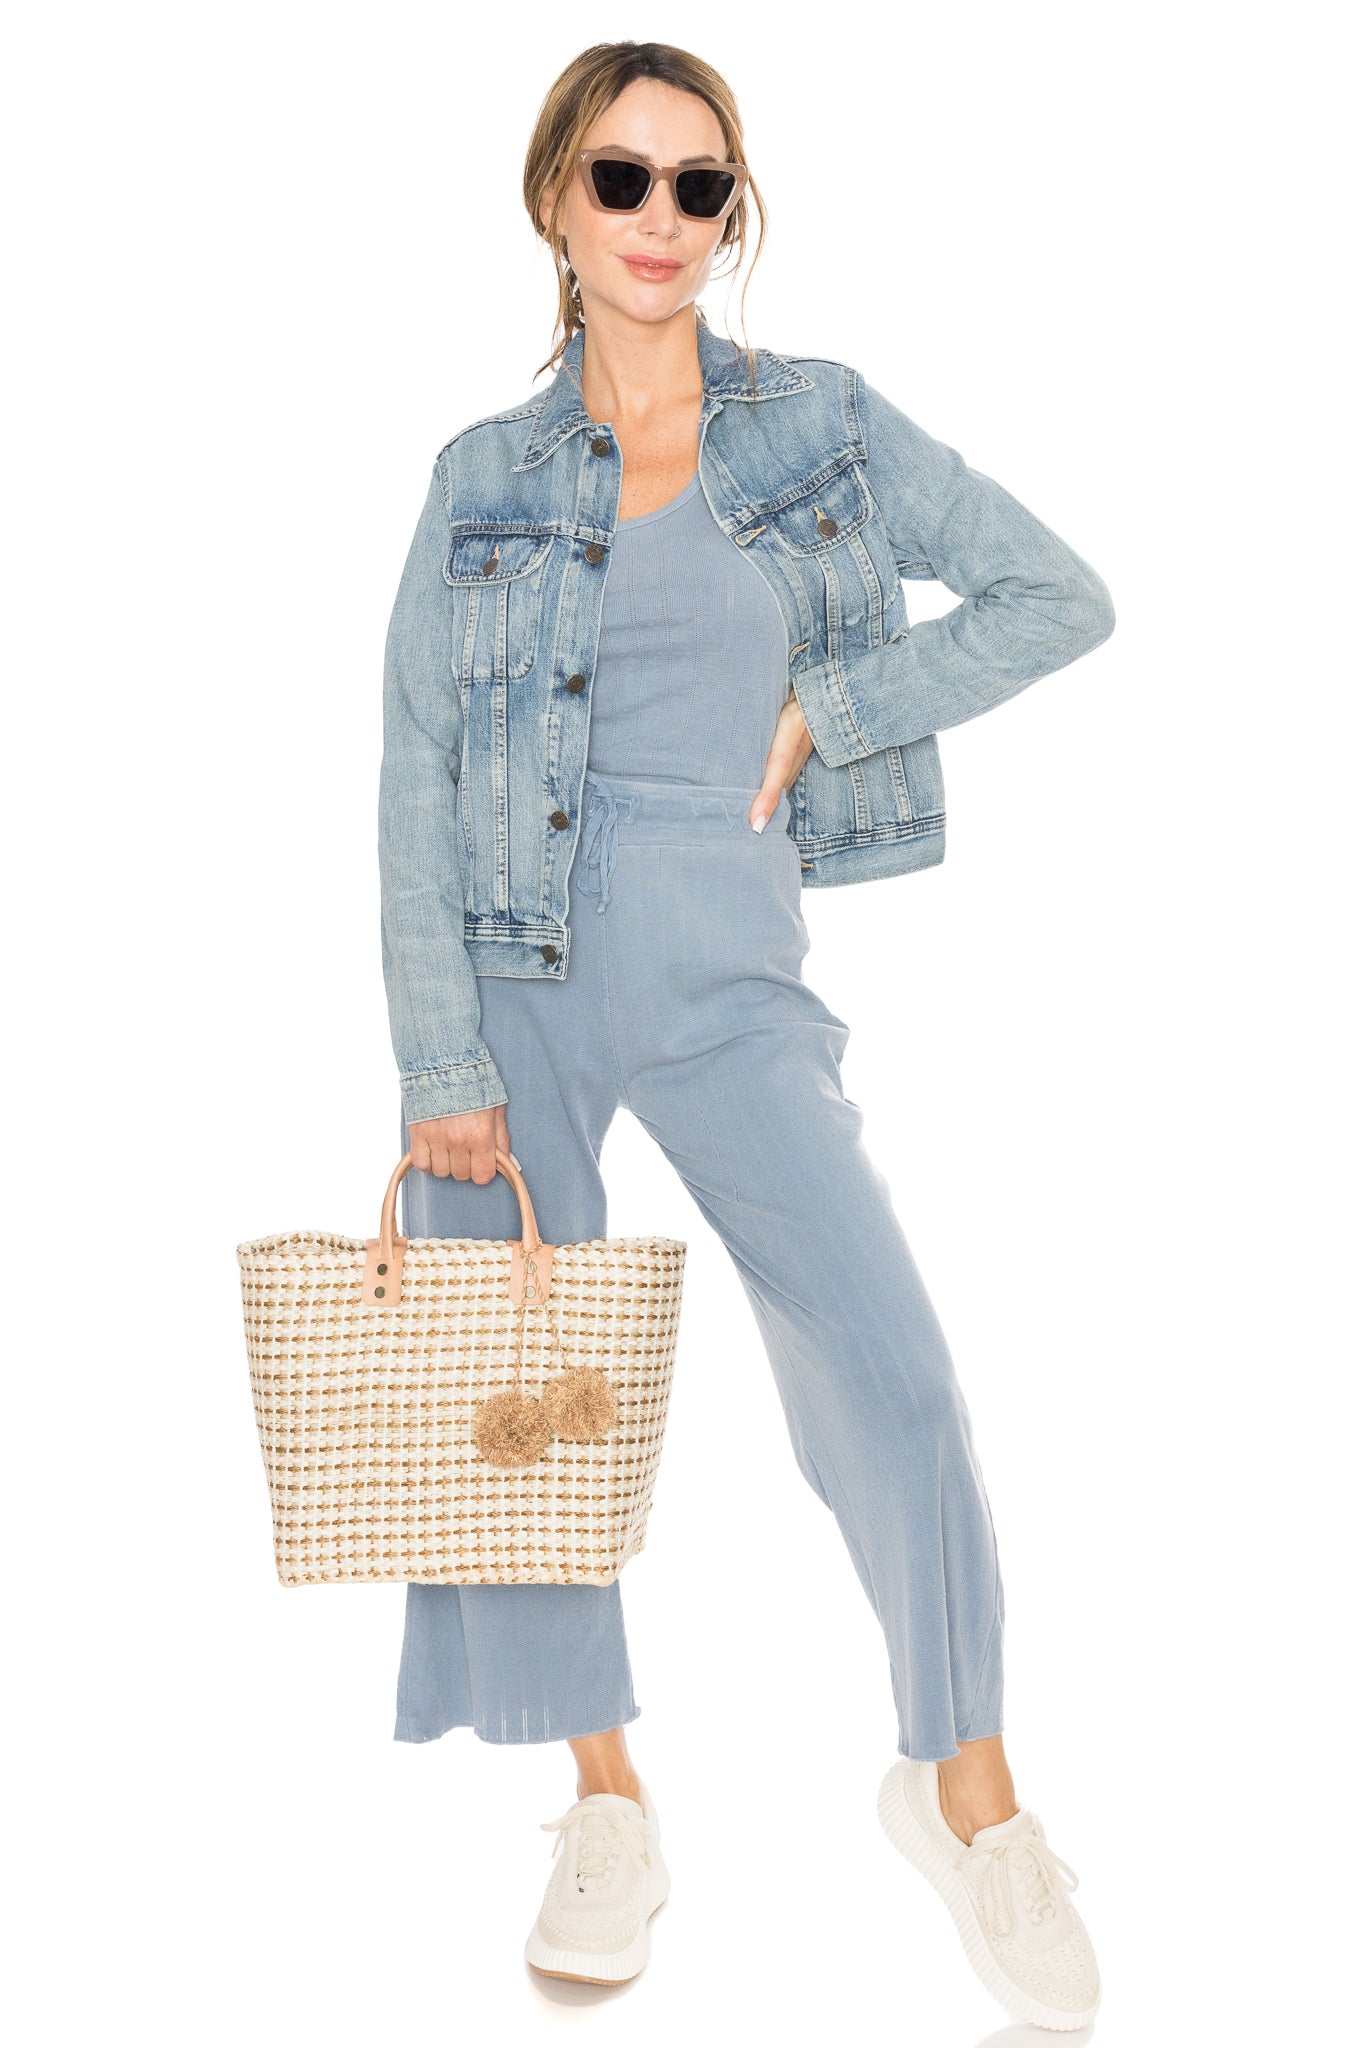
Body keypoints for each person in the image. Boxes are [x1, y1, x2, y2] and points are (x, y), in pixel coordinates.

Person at [378, 39, 1114, 2029]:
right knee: (520, 1398)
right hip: (513, 966)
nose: (660, 219)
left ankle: (963, 1794)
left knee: (891, 1374)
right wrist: (440, 1058)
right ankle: (604, 1800)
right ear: (555, 199)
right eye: (621, 178)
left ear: (732, 213)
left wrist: (841, 708)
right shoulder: (481, 476)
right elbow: (416, 770)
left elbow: (1054, 594)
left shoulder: (822, 426)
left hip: (727, 956)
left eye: (697, 185)